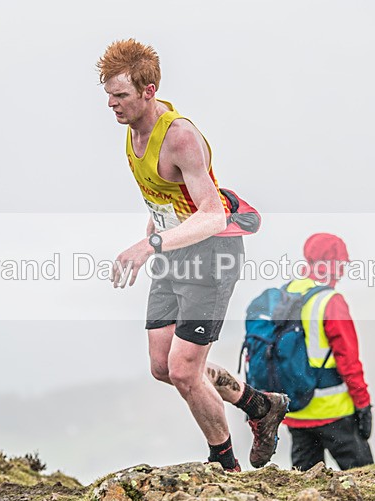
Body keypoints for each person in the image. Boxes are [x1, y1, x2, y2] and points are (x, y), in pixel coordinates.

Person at [96, 39, 288, 472]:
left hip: (210, 255)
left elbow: (214, 214)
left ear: (149, 90)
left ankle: (226, 469)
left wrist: (149, 246)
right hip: (174, 251)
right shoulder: (132, 130)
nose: (111, 104)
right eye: (108, 95)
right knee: (163, 365)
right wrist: (154, 235)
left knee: (185, 371)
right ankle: (259, 405)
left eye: (120, 95)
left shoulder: (179, 137)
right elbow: (163, 199)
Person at [283, 233, 374, 471]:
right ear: (332, 263)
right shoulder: (330, 301)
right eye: (342, 264)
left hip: (296, 412)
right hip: (335, 414)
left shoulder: (286, 293)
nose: (343, 271)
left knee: (305, 490)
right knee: (365, 480)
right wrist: (363, 405)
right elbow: (349, 361)